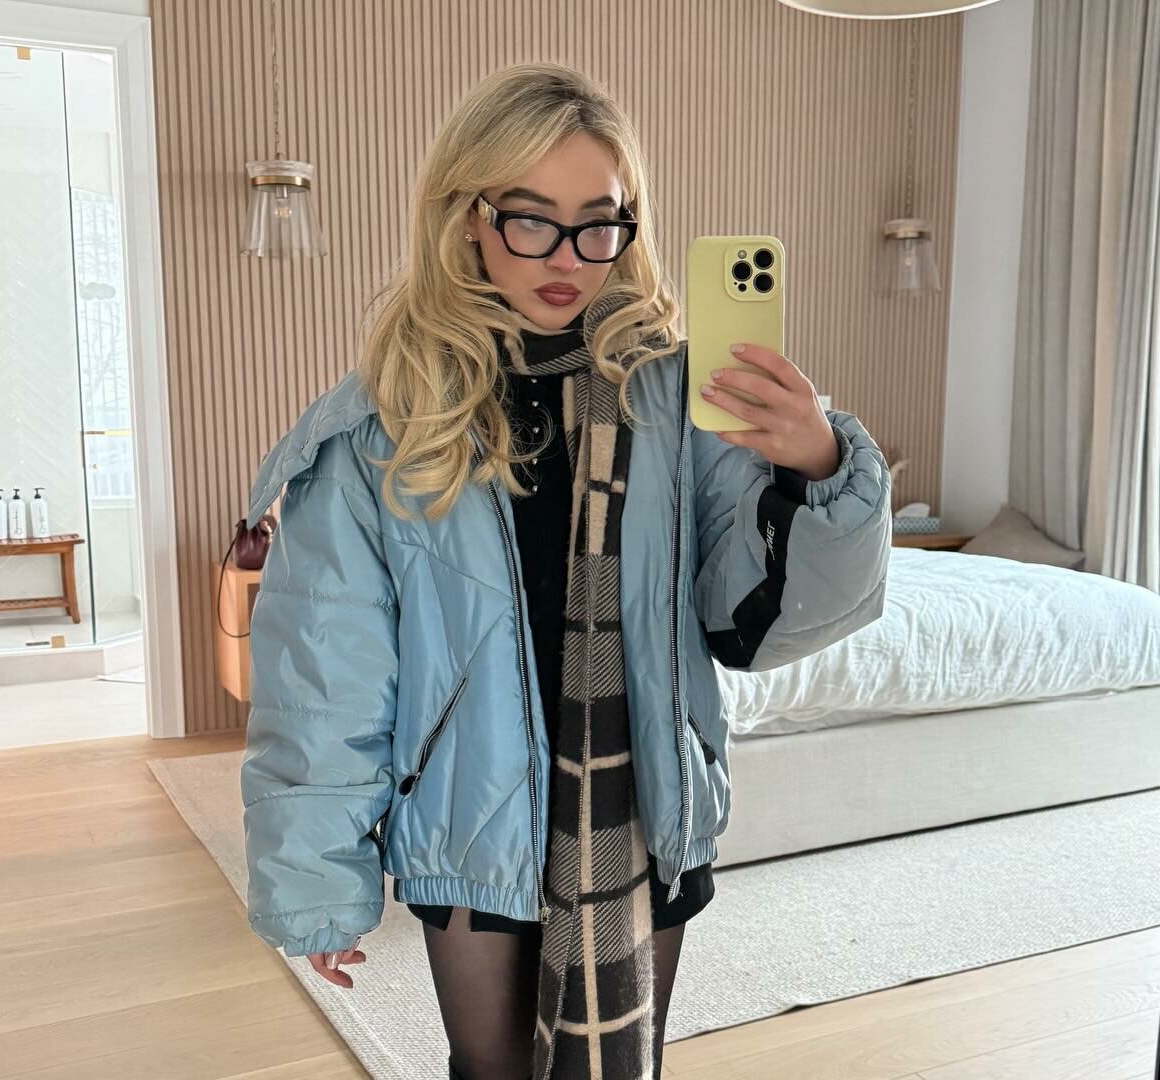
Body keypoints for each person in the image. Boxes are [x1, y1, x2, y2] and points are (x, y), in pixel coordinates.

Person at [240, 62, 891, 1080]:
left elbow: (755, 623)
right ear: (467, 216)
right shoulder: (381, 423)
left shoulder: (683, 396)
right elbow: (326, 672)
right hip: (472, 821)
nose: (567, 258)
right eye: (531, 220)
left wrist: (819, 468)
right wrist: (317, 877)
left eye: (599, 224)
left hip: (645, 809)